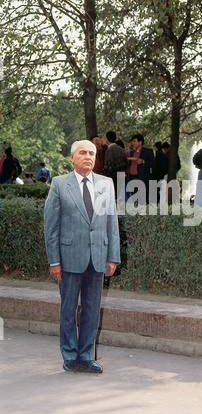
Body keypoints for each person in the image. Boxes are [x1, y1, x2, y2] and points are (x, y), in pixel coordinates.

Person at [44, 139, 120, 374]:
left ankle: (86, 356)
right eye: (83, 153)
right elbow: (51, 226)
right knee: (68, 310)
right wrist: (54, 261)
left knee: (91, 309)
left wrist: (112, 257)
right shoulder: (58, 184)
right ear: (72, 157)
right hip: (68, 260)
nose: (88, 157)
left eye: (92, 153)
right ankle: (69, 355)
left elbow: (111, 222)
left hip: (97, 258)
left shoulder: (106, 184)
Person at [129, 133, 154, 205]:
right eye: (132, 141)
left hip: (142, 179)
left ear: (140, 142)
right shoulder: (131, 152)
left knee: (143, 200)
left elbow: (152, 164)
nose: (132, 143)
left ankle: (143, 215)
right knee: (133, 200)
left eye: (134, 141)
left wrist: (143, 162)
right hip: (132, 178)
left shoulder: (148, 151)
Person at [102, 130, 129, 197]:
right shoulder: (121, 149)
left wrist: (102, 176)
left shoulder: (110, 150)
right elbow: (126, 164)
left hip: (113, 178)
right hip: (122, 175)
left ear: (107, 139)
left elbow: (109, 167)